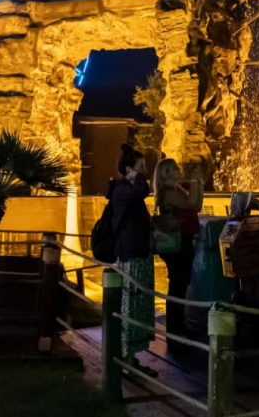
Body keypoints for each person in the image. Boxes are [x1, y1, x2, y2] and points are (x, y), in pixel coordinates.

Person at [107, 143, 156, 374]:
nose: (145, 170)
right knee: (130, 305)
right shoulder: (121, 189)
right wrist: (137, 177)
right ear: (129, 168)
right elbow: (142, 191)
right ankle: (125, 357)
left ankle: (132, 357)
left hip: (139, 252)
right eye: (141, 166)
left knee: (138, 306)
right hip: (130, 254)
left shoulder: (128, 188)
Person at [153, 157, 204, 341]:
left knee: (180, 284)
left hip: (182, 241)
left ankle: (178, 326)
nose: (179, 170)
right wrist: (194, 181)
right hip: (176, 244)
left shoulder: (176, 189)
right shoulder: (168, 193)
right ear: (166, 173)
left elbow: (196, 206)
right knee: (177, 285)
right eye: (175, 169)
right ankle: (175, 329)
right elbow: (191, 204)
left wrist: (199, 183)